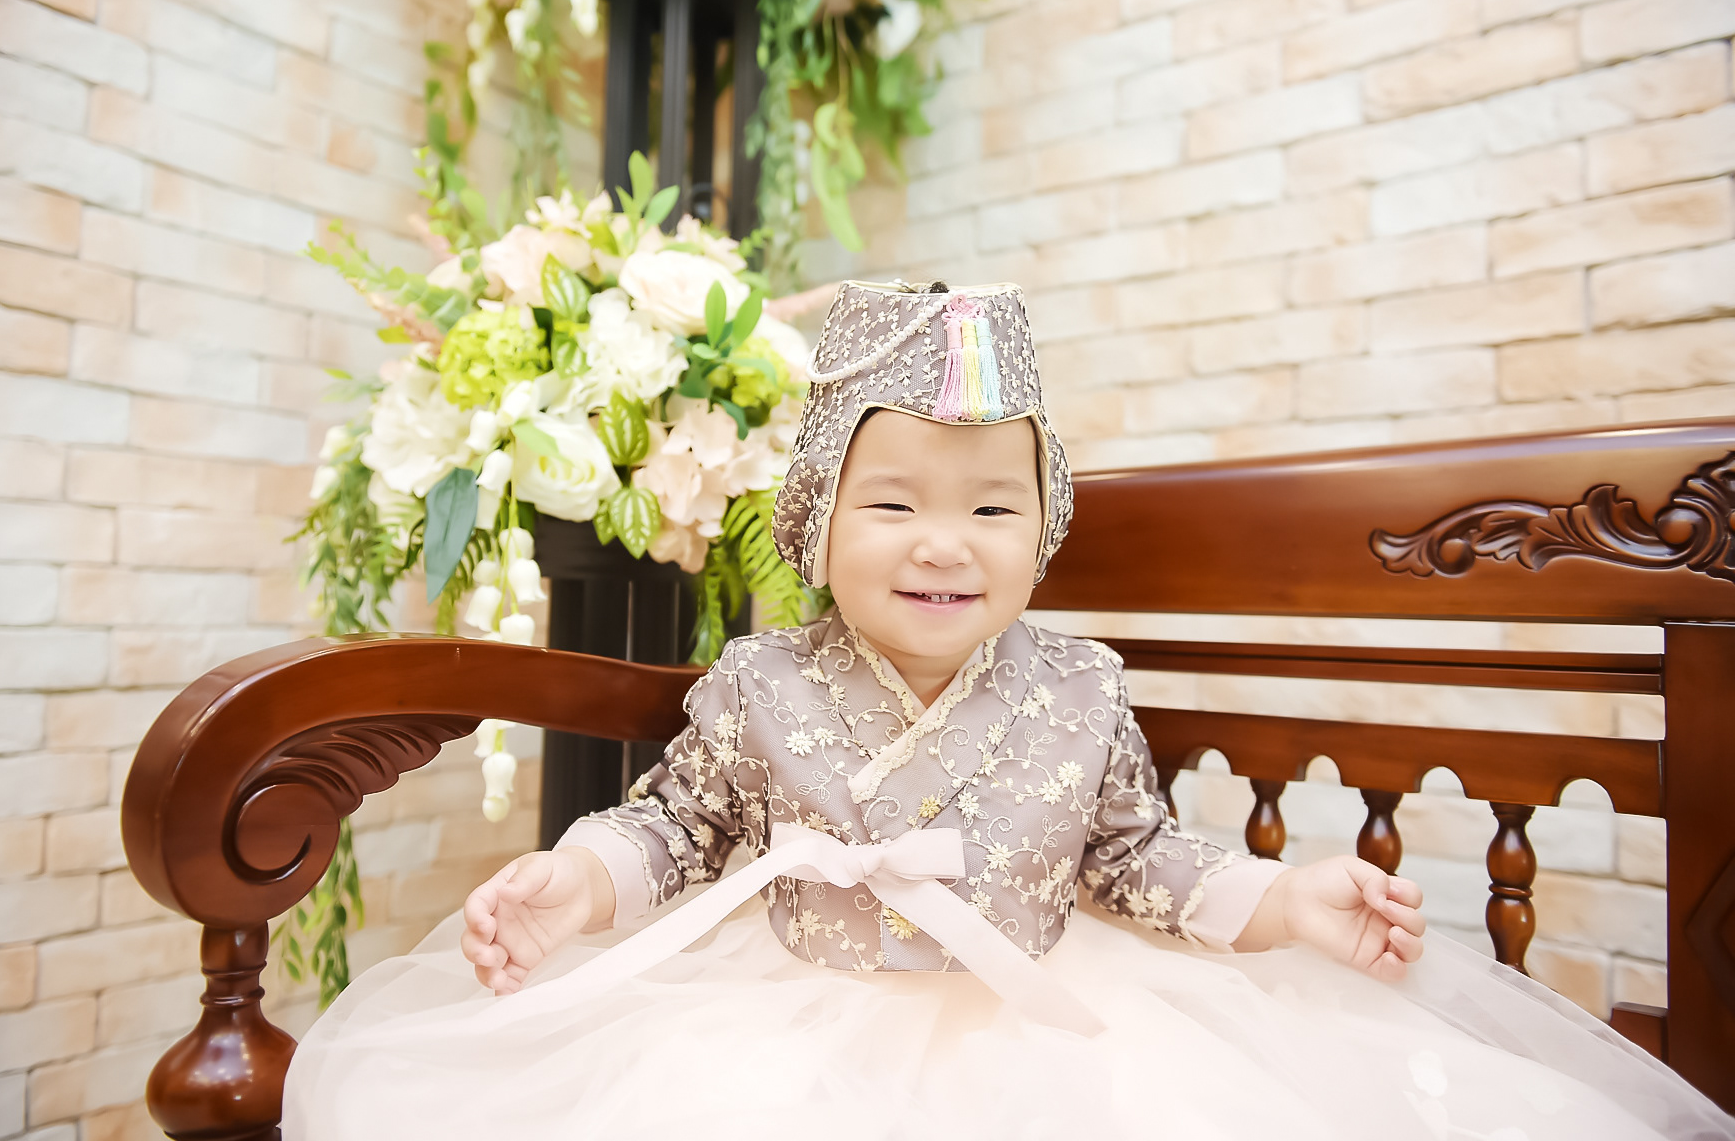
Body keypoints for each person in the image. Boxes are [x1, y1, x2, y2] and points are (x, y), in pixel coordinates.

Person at [284, 281, 1732, 1140]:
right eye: (894, 503)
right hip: (780, 1015)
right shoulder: (760, 682)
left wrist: (1287, 900)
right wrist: (576, 880)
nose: (945, 542)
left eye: (992, 506)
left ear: (1043, 532)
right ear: (814, 525)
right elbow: (680, 830)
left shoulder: (1079, 686)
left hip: (1045, 1014)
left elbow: (1137, 859)